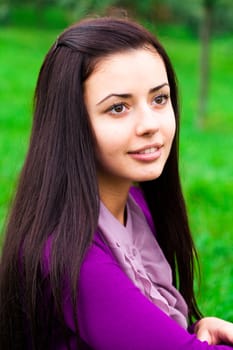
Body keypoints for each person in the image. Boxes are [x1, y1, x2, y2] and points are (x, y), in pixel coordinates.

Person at [0, 16, 233, 350]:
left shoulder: (136, 206)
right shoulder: (71, 257)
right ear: (72, 124)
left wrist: (200, 327)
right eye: (119, 107)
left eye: (159, 99)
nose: (149, 124)